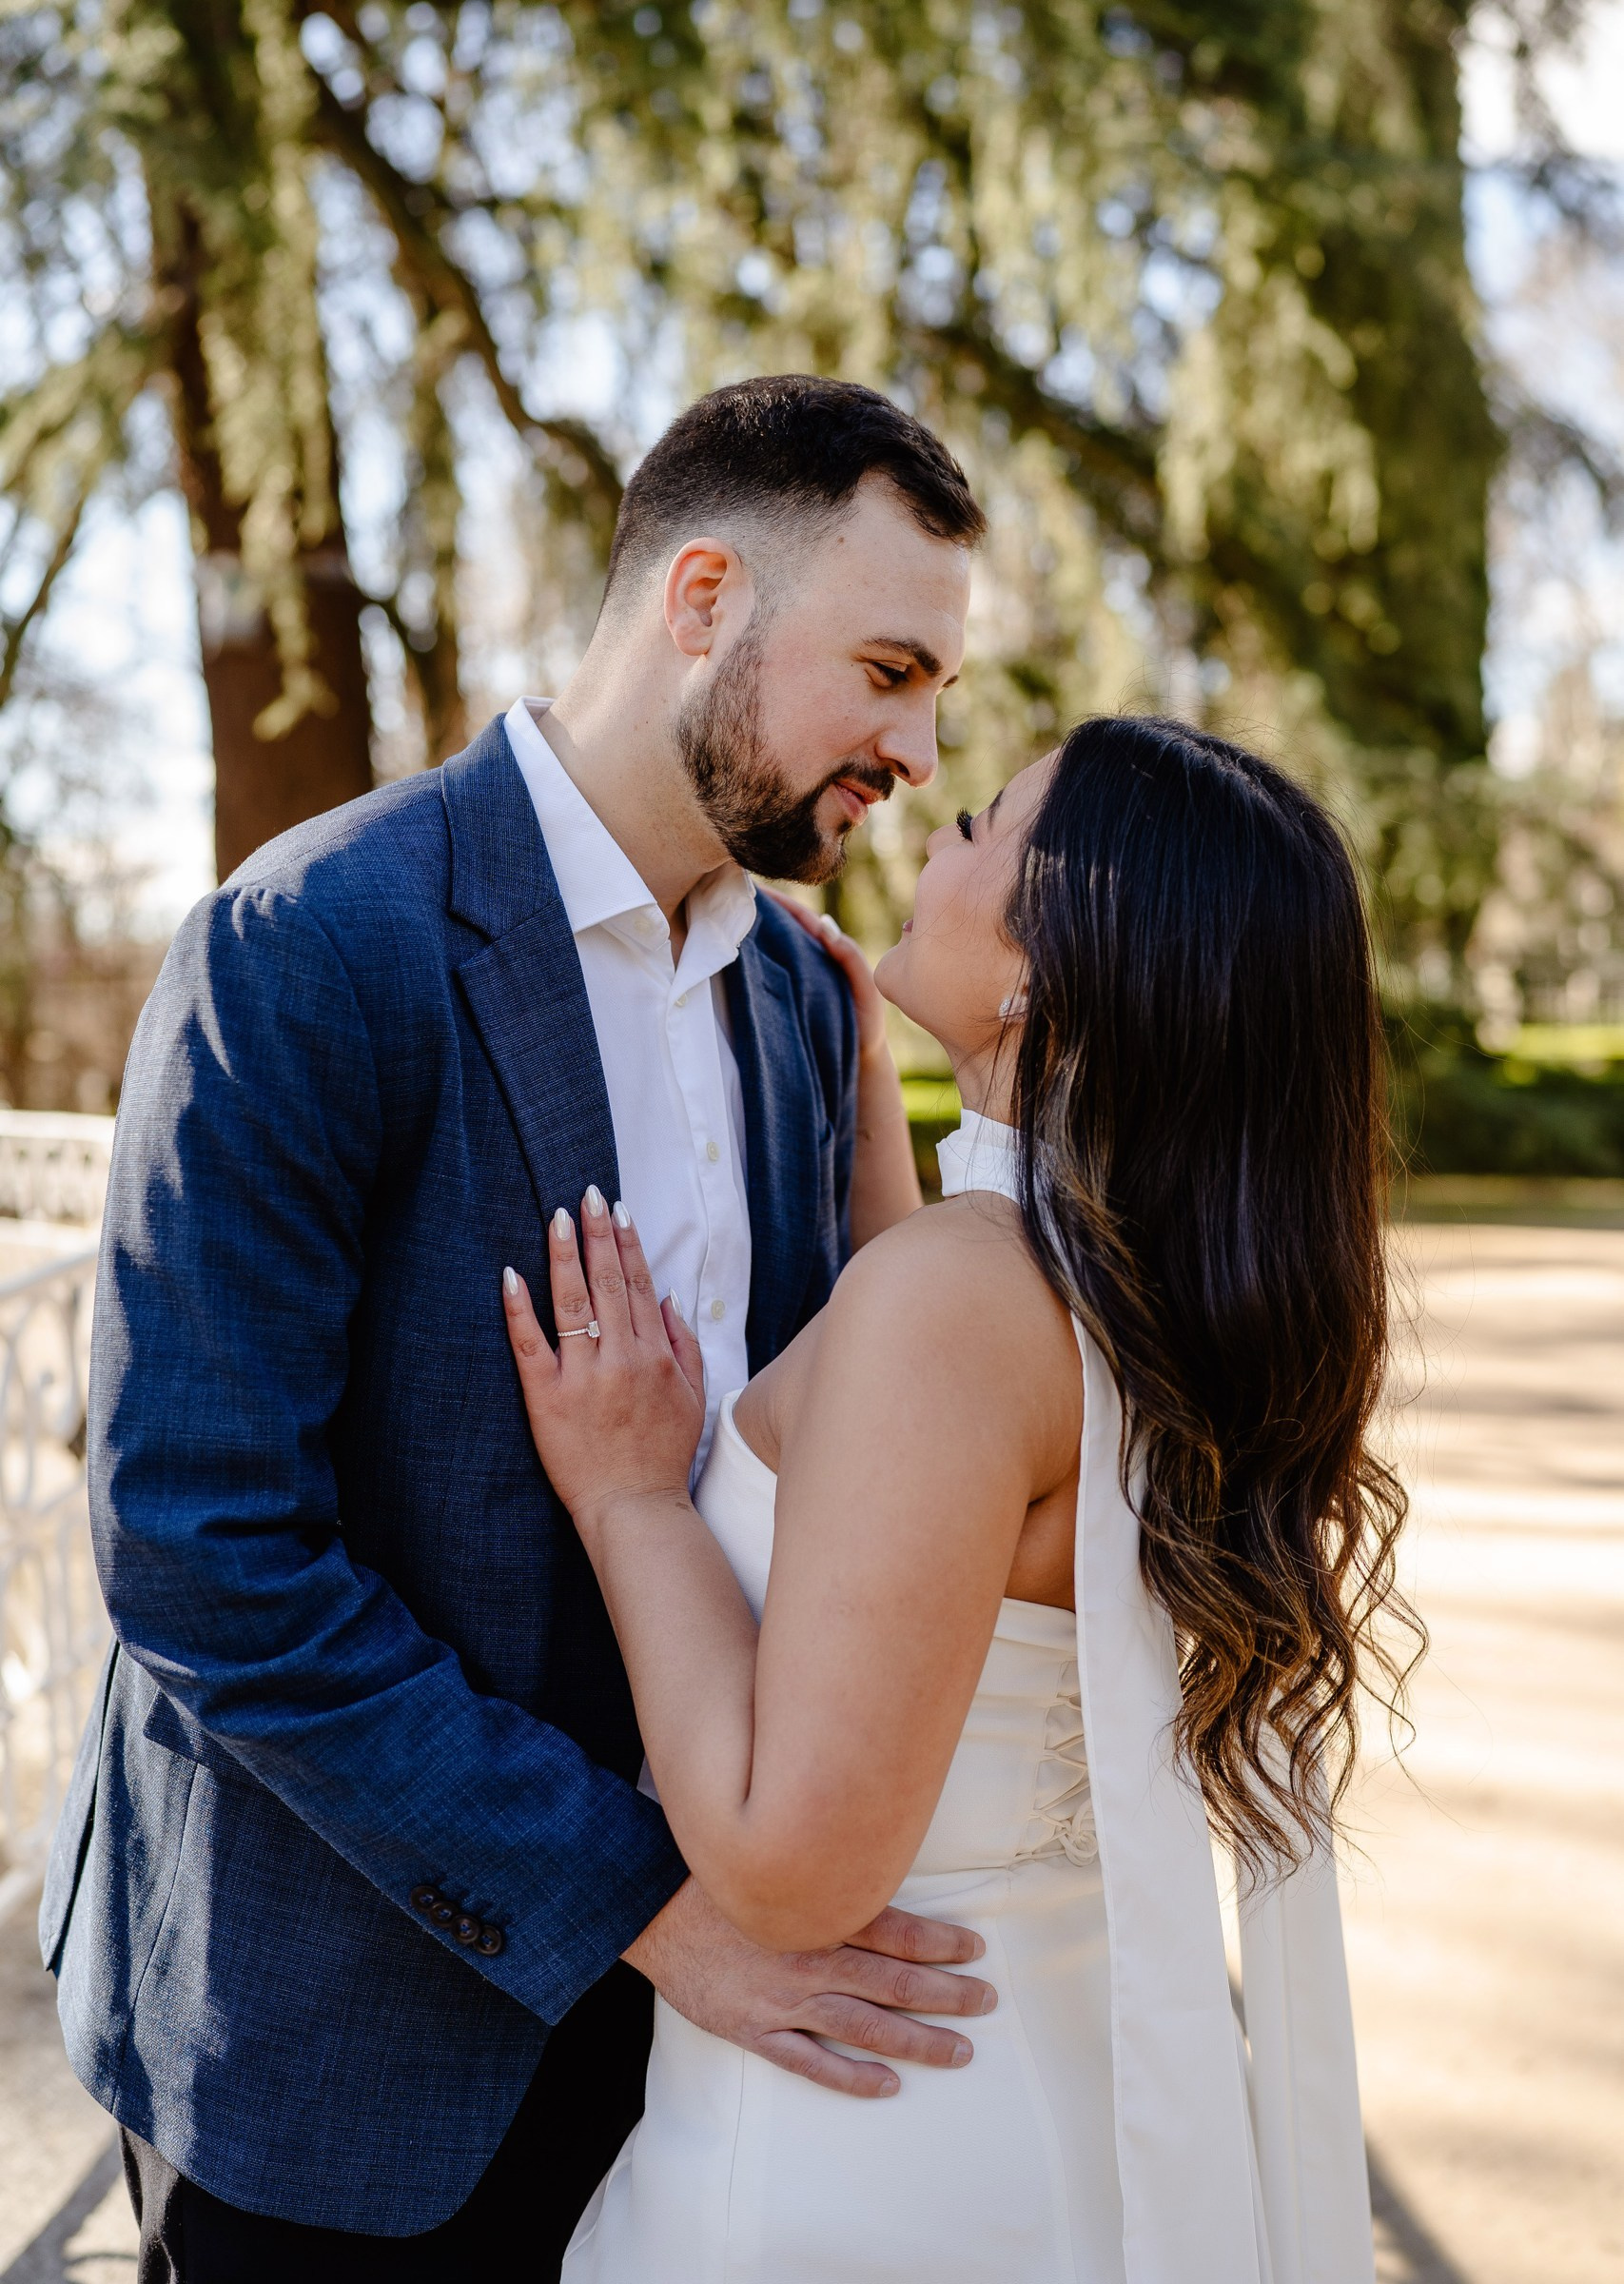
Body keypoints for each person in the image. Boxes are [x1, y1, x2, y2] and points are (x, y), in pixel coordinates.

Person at [41, 375, 1000, 2282]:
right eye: (887, 672)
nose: (912, 748)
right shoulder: (304, 947)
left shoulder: (805, 1010)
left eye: (935, 698)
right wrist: (643, 1905)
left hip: (689, 2073)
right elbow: (206, 1560)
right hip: (330, 2052)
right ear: (704, 599)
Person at [502, 714, 1413, 2284]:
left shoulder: (956, 1307)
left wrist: (633, 1499)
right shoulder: (1149, 1286)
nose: (935, 828)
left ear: (1049, 968)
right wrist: (876, 1083)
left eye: (985, 823)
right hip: (1039, 2111)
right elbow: (938, 1470)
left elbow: (787, 1865)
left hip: (844, 2161)